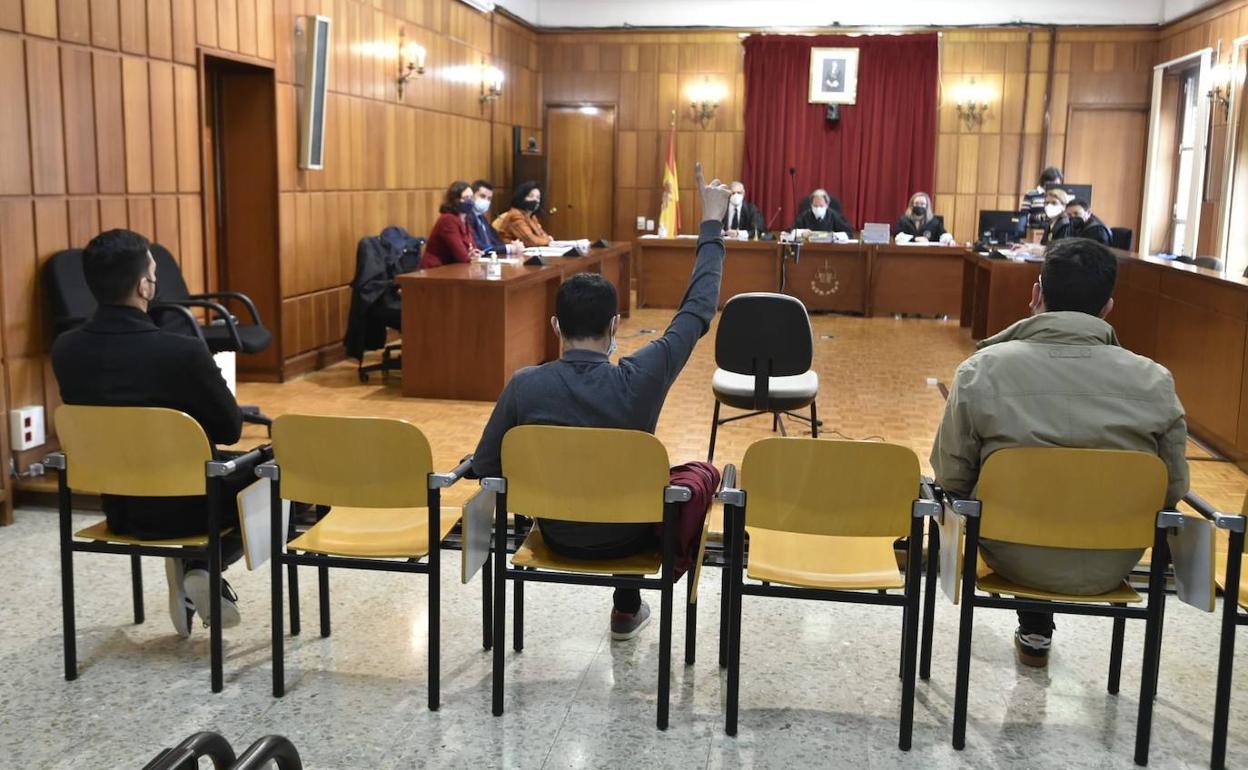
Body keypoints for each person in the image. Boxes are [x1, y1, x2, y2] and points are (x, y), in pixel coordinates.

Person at [471, 162, 732, 641]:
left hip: (556, 531)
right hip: (629, 533)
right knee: (635, 490)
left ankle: (622, 607)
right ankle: (625, 607)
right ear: (615, 327)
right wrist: (712, 223)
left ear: (555, 328)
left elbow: (488, 467)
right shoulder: (643, 377)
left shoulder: (523, 385)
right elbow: (697, 310)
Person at [931, 237, 1188, 669]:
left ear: (1036, 295)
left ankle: (1034, 624)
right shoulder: (1155, 381)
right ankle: (1040, 628)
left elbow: (951, 476)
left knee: (1008, 495)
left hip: (1010, 550)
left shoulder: (982, 370)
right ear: (1108, 307)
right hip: (1114, 555)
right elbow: (1173, 488)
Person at [50, 229, 263, 637]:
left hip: (121, 508)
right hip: (194, 507)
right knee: (282, 473)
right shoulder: (181, 351)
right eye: (152, 273)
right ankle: (202, 565)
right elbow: (231, 430)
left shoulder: (65, 349)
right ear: (145, 285)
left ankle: (191, 569)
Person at [421, 181, 483, 269]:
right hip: (436, 269)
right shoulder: (448, 220)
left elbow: (473, 248)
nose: (470, 201)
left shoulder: (465, 220)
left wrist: (474, 253)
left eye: (471, 197)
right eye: (465, 198)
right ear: (455, 200)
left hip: (454, 268)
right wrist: (470, 255)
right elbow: (461, 256)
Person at [467, 180, 523, 256]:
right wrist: (509, 248)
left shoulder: (482, 218)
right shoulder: (467, 217)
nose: (486, 201)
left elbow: (496, 241)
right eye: (482, 196)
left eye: (489, 198)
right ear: (471, 196)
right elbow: (479, 247)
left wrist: (512, 245)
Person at [493, 181, 554, 247]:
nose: (535, 200)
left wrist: (546, 239)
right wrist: (548, 240)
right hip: (508, 254)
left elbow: (541, 234)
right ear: (521, 198)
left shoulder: (531, 216)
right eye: (531, 196)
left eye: (538, 197)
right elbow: (531, 241)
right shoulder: (515, 215)